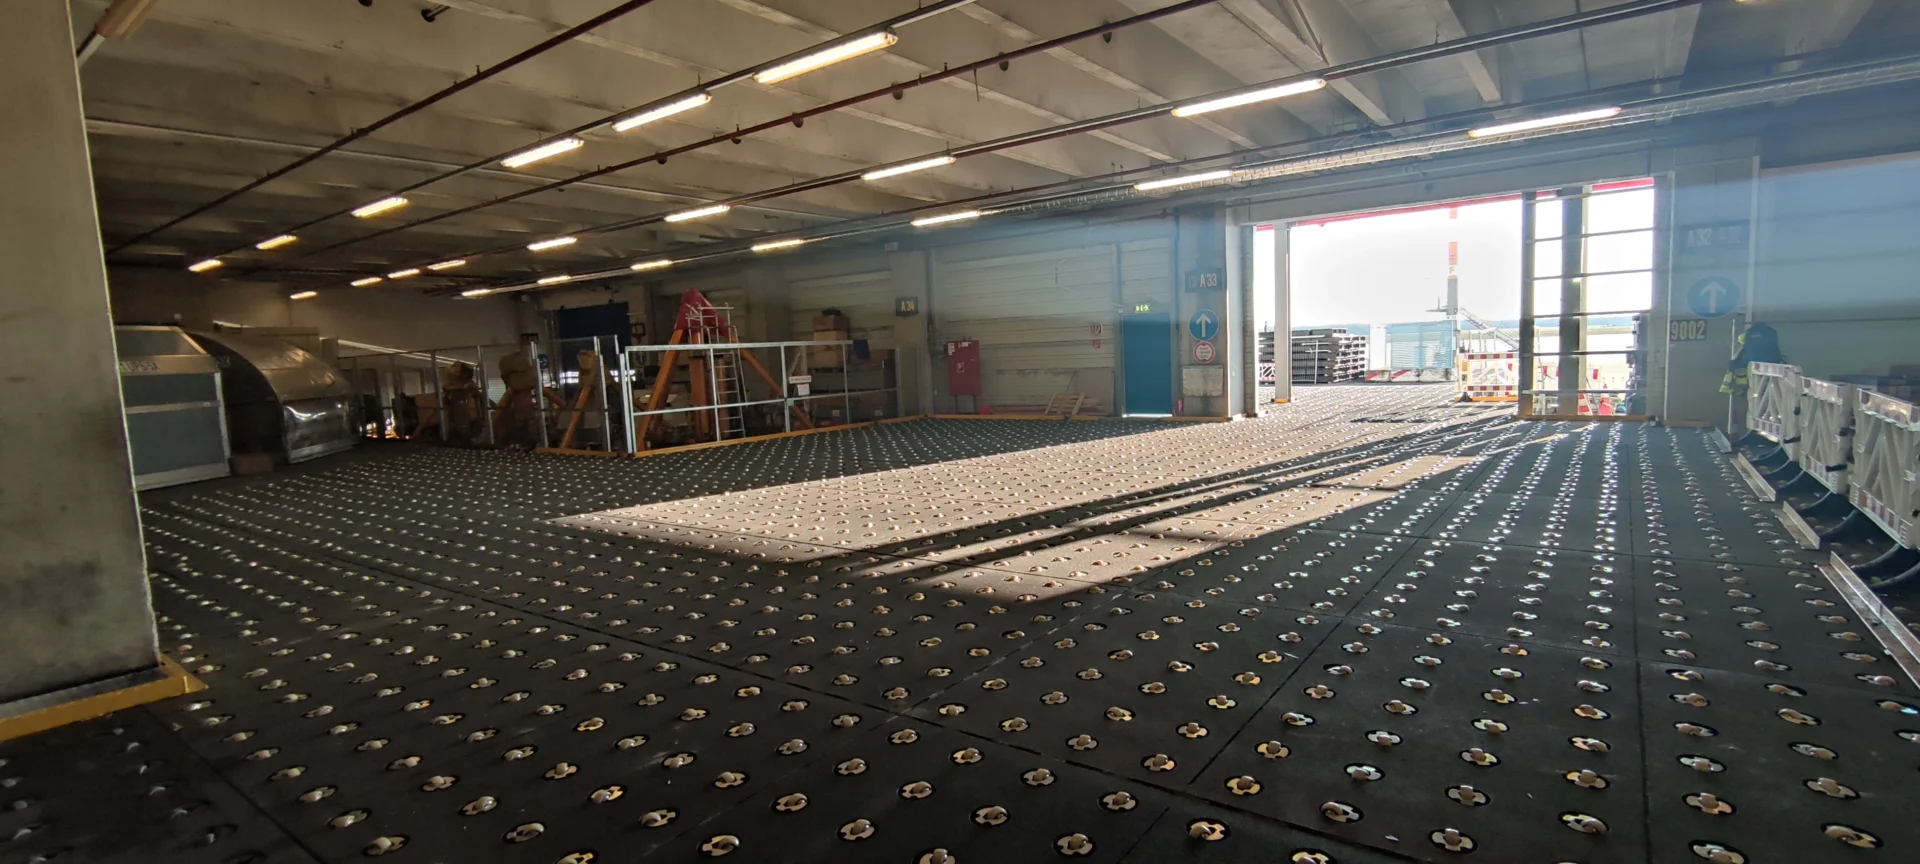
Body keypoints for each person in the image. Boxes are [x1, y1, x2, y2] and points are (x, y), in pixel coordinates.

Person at [1721, 322, 1782, 396]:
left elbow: (1740, 340)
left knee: (1735, 365)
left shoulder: (1747, 333)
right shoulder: (1772, 332)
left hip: (1751, 360)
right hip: (1771, 360)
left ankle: (1740, 387)